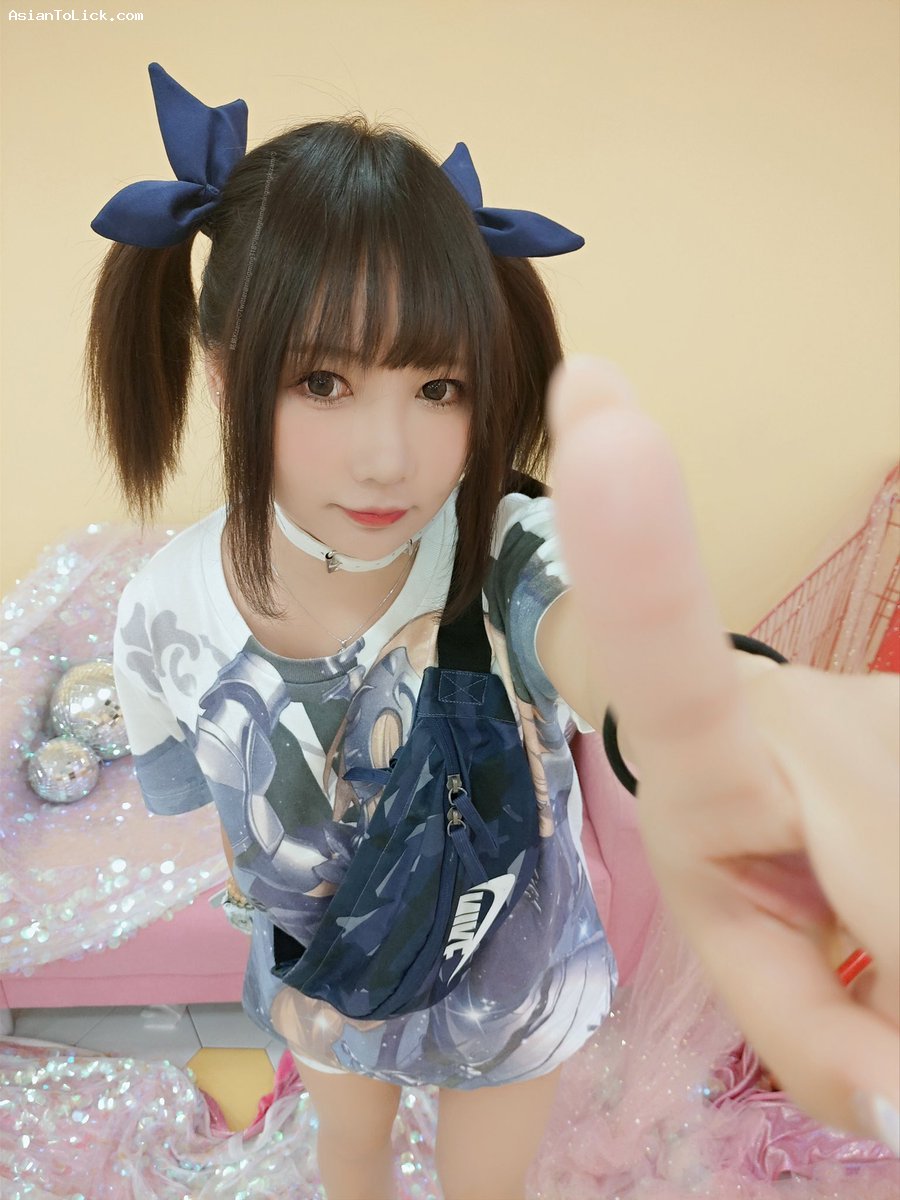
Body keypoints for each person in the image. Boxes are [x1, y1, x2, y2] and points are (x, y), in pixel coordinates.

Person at [88, 63, 898, 1199]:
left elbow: (608, 643)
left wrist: (739, 712)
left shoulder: (512, 549)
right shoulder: (164, 611)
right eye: (321, 381)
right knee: (350, 1154)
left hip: (507, 978)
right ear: (226, 377)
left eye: (439, 388)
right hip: (329, 979)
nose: (390, 458)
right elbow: (224, 826)